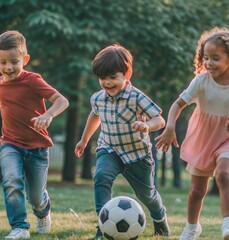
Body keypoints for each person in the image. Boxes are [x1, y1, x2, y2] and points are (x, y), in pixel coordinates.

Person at [155, 27, 229, 240]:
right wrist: (169, 127)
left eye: (215, 58)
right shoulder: (201, 81)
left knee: (224, 174)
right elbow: (178, 104)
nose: (209, 63)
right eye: (206, 57)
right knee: (197, 190)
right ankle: (192, 227)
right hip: (204, 137)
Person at [0, 30, 69, 239]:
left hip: (37, 147)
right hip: (10, 143)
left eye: (14, 61)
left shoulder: (33, 80)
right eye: (3, 61)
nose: (8, 67)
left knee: (35, 196)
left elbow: (62, 100)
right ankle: (20, 227)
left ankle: (43, 210)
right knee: (12, 181)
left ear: (25, 59)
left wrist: (49, 115)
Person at [74, 44, 170, 240]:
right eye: (103, 78)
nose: (107, 83)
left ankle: (160, 218)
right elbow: (94, 117)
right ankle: (103, 227)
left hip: (137, 155)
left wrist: (147, 126)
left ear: (127, 74)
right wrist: (84, 140)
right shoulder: (98, 98)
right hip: (109, 148)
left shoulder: (136, 97)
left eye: (112, 77)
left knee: (147, 195)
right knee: (101, 176)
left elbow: (160, 120)